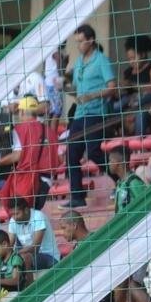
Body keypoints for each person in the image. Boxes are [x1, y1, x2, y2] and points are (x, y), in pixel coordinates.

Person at [63, 24, 116, 209]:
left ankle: (118, 176)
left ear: (91, 40)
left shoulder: (101, 60)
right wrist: (65, 88)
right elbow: (78, 90)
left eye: (80, 42)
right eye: (76, 42)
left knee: (94, 151)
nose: (78, 46)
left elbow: (112, 88)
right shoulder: (78, 63)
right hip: (79, 113)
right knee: (71, 152)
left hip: (96, 113)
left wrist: (92, 96)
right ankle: (77, 196)